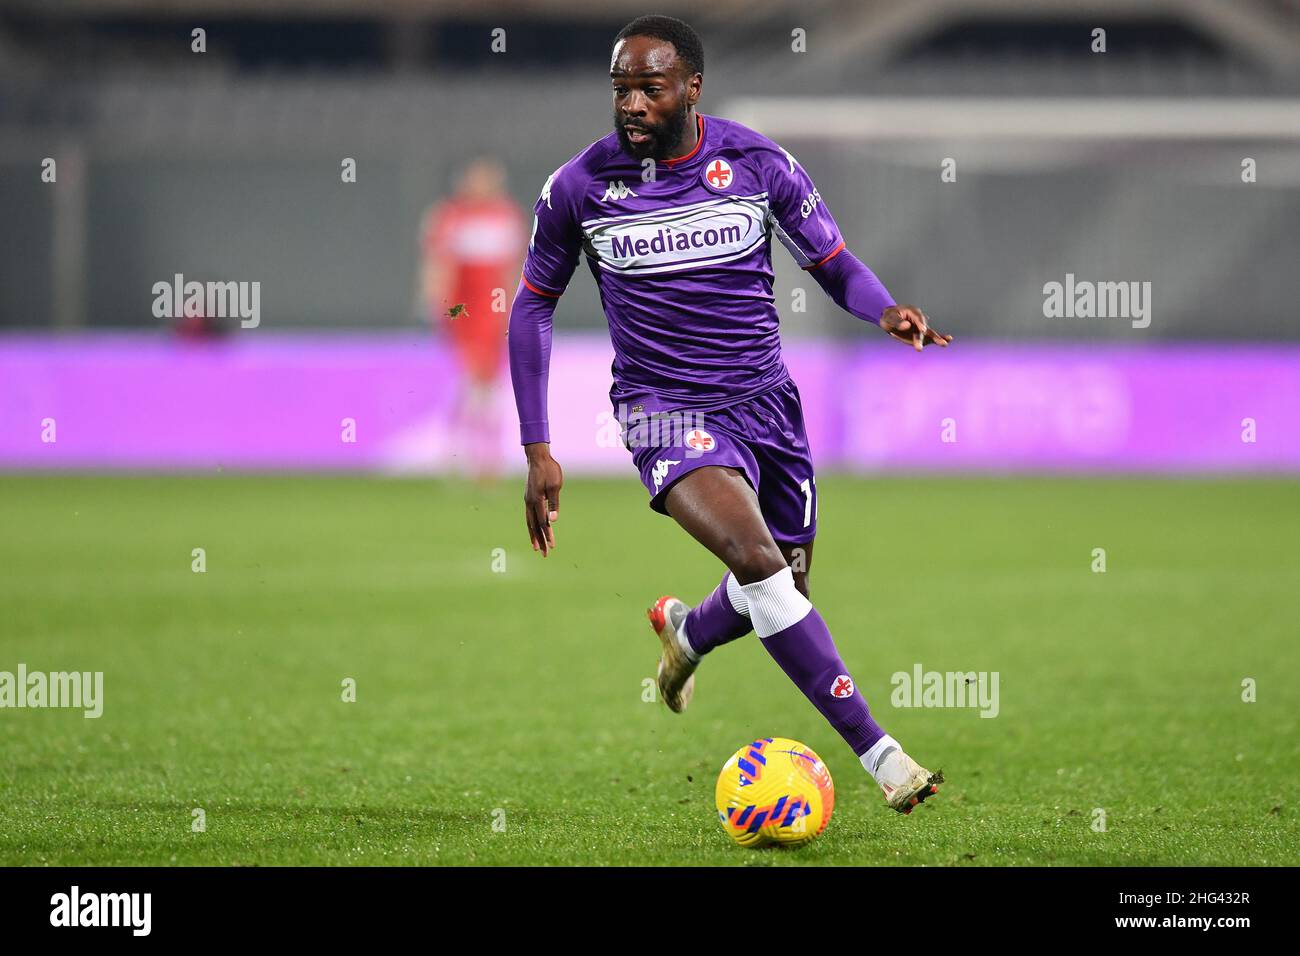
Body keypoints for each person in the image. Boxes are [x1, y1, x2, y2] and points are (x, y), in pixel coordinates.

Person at [507, 15, 953, 815]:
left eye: (650, 87)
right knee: (758, 560)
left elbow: (832, 261)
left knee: (786, 586)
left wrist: (883, 309)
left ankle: (689, 633)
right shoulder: (579, 187)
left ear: (691, 89)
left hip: (767, 404)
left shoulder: (755, 162)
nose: (633, 104)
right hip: (661, 409)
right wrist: (538, 446)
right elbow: (531, 306)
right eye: (621, 89)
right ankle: (884, 758)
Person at [420, 157, 526, 479]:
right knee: (471, 379)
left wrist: (516, 309)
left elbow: (515, 266)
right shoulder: (450, 216)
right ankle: (461, 452)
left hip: (494, 311)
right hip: (462, 309)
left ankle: (484, 455)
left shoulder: (506, 216)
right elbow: (438, 264)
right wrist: (436, 303)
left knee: (488, 384)